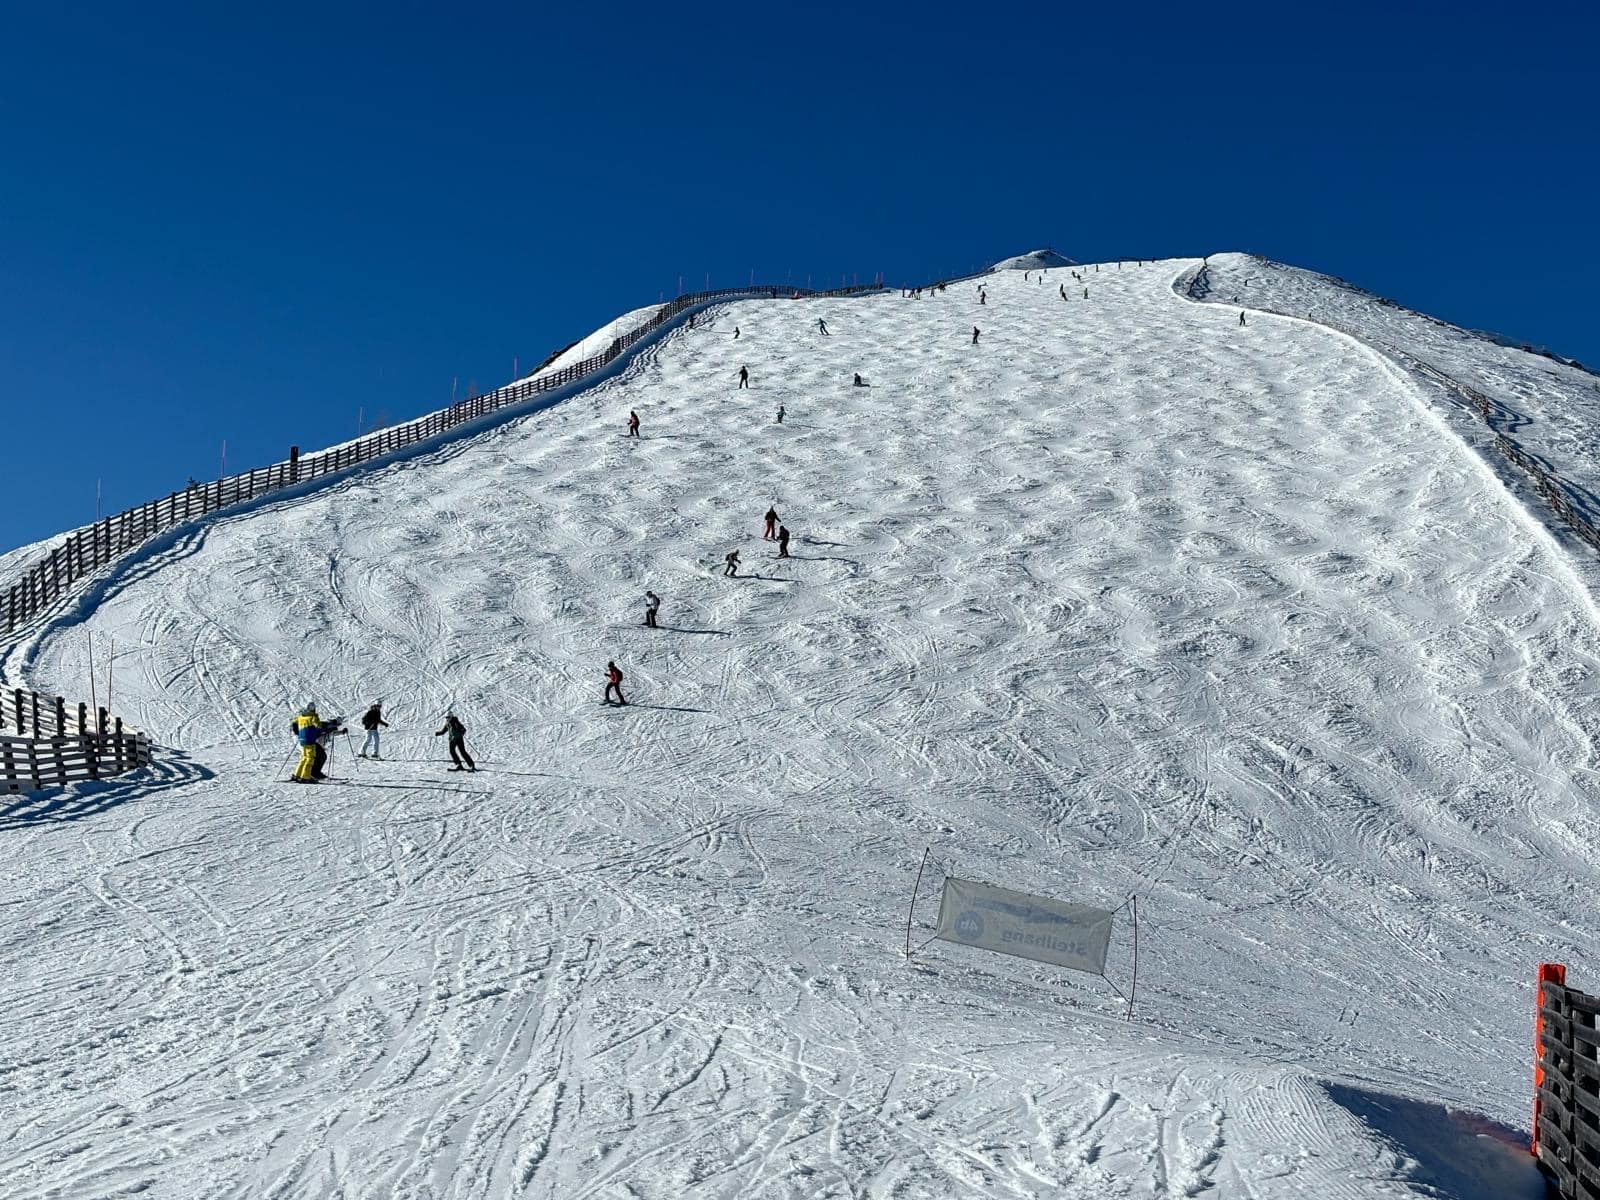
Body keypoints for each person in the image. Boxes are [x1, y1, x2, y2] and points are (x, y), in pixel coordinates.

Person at [291, 704, 321, 783]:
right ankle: (305, 777)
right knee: (310, 758)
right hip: (310, 740)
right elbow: (318, 726)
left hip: (302, 740)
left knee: (304, 757)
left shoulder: (300, 717)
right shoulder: (313, 717)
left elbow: (294, 723)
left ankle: (296, 774)